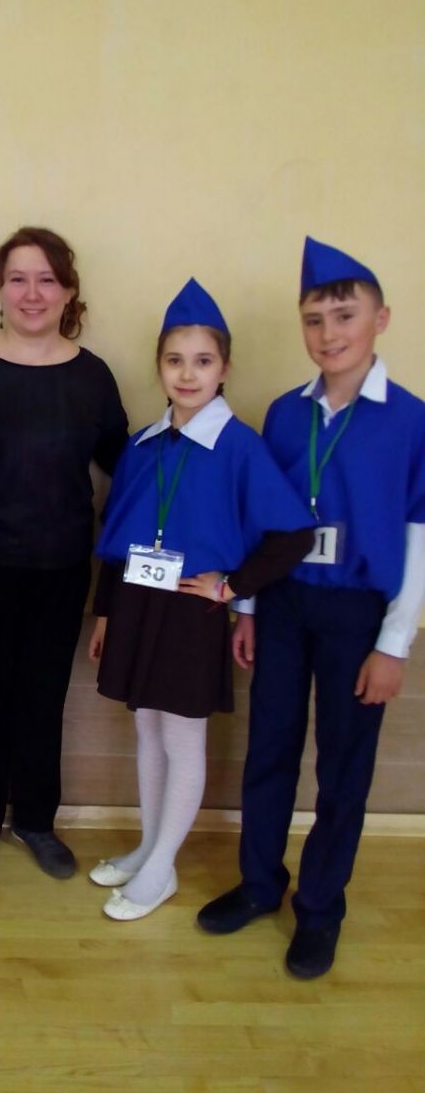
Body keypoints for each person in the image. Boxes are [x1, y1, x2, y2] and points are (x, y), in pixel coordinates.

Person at [198, 237, 425, 978]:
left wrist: (394, 643)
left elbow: (419, 535)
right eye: (314, 320)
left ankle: (321, 908)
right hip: (286, 604)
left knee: (343, 768)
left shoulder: (411, 420)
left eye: (345, 316)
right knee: (269, 747)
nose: (329, 334)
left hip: (358, 612)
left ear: (381, 319)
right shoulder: (284, 414)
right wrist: (249, 607)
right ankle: (260, 883)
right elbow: (267, 523)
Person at [87, 279, 314, 920]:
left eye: (203, 361)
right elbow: (118, 535)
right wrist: (105, 612)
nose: (188, 374)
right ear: (159, 366)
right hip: (138, 601)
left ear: (224, 369)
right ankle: (147, 847)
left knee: (182, 738)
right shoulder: (143, 444)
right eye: (175, 360)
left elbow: (291, 533)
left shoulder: (240, 446)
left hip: (193, 609)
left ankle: (162, 868)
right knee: (146, 728)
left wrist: (233, 588)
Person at [0, 226, 129, 882]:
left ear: (68, 291)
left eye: (47, 279)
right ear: (0, 289)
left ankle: (38, 822)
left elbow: (129, 470)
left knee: (45, 701)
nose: (32, 292)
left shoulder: (92, 376)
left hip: (63, 568)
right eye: (18, 278)